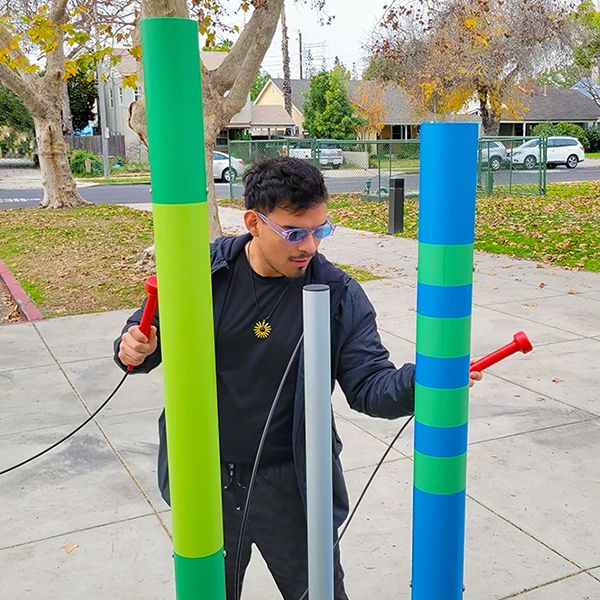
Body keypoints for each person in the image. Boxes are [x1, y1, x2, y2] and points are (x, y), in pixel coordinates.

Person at [114, 156, 482, 599]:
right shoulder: (202, 271)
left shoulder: (339, 294)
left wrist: (425, 381)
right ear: (253, 221)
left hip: (294, 483)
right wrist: (133, 347)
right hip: (204, 477)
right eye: (294, 232)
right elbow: (143, 340)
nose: (309, 245)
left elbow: (369, 387)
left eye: (319, 230)